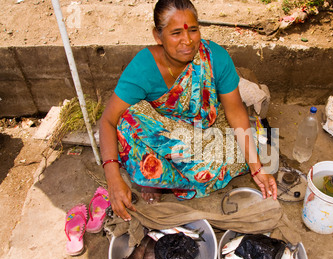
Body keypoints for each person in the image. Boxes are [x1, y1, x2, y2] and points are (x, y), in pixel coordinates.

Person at [99, 0, 277, 221]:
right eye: (175, 33)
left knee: (246, 154)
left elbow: (235, 112)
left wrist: (257, 168)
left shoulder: (215, 58)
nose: (188, 40)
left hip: (206, 129)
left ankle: (170, 179)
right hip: (164, 133)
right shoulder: (144, 67)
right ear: (158, 36)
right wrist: (113, 178)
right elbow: (107, 121)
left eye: (193, 30)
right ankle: (163, 179)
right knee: (128, 122)